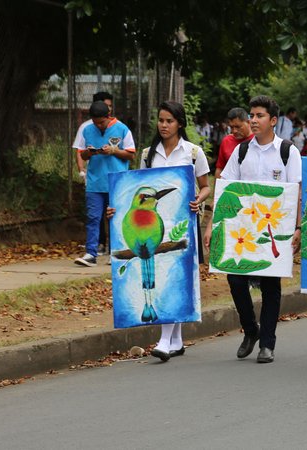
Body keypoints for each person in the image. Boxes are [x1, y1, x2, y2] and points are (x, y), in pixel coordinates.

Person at [107, 101, 211, 361]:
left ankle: (167, 340)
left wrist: (199, 200)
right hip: (147, 226)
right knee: (163, 276)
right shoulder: (146, 154)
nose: (164, 125)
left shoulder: (194, 152)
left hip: (182, 225)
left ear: (180, 124)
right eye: (161, 120)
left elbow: (206, 186)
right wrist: (115, 210)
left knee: (177, 276)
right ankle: (172, 340)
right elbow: (136, 187)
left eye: (169, 121)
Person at [206, 95, 302, 363]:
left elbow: (297, 191)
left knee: (271, 286)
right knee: (235, 280)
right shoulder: (242, 151)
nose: (253, 120)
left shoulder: (287, 151)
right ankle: (251, 330)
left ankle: (267, 344)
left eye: (259, 115)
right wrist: (214, 224)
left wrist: (298, 227)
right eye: (252, 115)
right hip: (243, 232)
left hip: (273, 231)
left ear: (273, 120)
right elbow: (225, 189)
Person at [73, 101, 136, 267]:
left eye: (101, 122)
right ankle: (90, 253)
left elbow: (131, 155)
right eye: (95, 122)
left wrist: (113, 151)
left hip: (116, 183)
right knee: (93, 217)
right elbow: (82, 155)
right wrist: (89, 152)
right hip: (95, 182)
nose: (98, 126)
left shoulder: (122, 129)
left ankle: (116, 252)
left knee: (115, 218)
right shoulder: (87, 130)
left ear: (108, 117)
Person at [73, 92, 115, 255]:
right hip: (95, 178)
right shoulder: (86, 128)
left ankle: (114, 249)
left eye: (110, 105)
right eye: (105, 105)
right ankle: (98, 246)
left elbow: (128, 152)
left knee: (111, 213)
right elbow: (80, 150)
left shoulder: (118, 127)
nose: (108, 108)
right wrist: (81, 170)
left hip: (111, 178)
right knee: (95, 214)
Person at [214, 107, 253, 179]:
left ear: (248, 122)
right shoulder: (226, 141)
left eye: (238, 127)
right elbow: (220, 168)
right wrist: (217, 189)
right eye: (231, 127)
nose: (234, 131)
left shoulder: (257, 140)